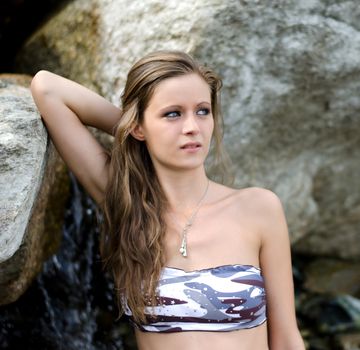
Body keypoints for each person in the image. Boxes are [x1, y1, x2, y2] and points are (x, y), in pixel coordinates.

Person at [30, 50, 305, 350]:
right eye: (173, 113)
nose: (192, 127)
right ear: (137, 125)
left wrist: (152, 128)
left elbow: (287, 339)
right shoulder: (127, 206)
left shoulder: (258, 208)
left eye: (202, 111)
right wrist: (134, 131)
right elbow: (47, 89)